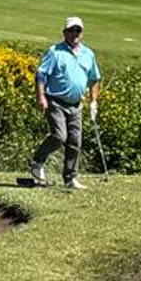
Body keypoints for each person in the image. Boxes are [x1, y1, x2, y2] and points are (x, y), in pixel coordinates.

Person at [30, 16, 102, 189]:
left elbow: (94, 79)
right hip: (55, 102)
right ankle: (37, 161)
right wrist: (40, 97)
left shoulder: (88, 54)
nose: (74, 33)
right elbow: (41, 74)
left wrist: (93, 101)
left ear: (82, 33)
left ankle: (70, 178)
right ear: (65, 33)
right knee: (59, 136)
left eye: (77, 30)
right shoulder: (55, 52)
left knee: (75, 141)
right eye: (71, 30)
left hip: (76, 105)